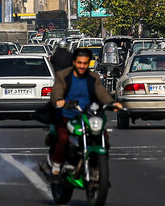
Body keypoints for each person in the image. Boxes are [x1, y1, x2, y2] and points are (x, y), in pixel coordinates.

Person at [45, 48, 120, 176]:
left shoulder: (93, 77)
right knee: (63, 138)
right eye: (79, 63)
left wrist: (111, 103)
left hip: (88, 115)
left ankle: (97, 166)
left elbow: (101, 93)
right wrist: (59, 101)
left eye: (85, 63)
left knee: (103, 135)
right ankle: (56, 166)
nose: (82, 66)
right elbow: (57, 91)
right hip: (68, 115)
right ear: (74, 62)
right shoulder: (63, 76)